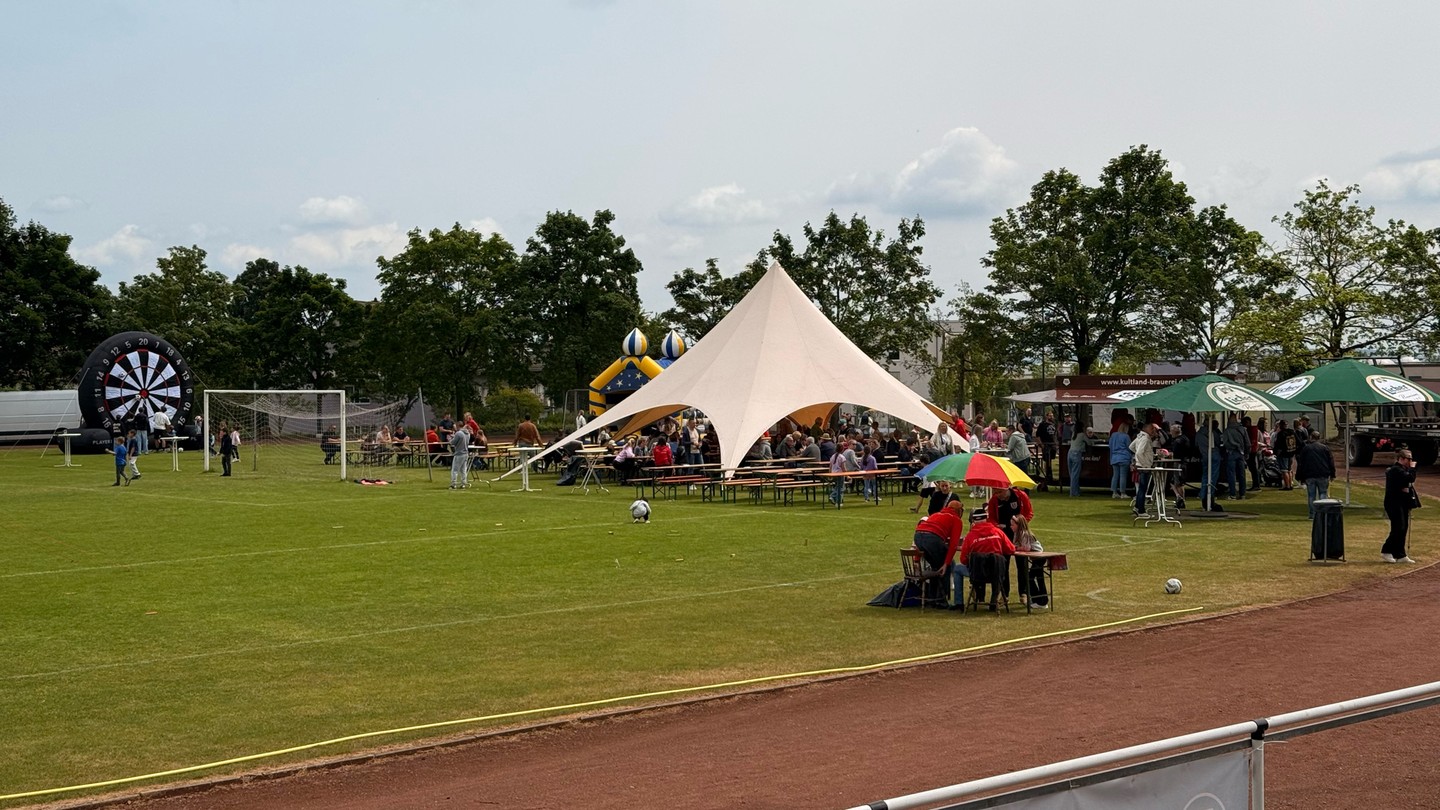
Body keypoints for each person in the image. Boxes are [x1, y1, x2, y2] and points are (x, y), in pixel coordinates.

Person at [911, 499, 968, 609]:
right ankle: (941, 600)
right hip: (932, 539)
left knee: (936, 567)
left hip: (918, 536)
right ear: (958, 510)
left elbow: (925, 532)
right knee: (947, 566)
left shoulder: (936, 514)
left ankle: (933, 597)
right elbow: (953, 545)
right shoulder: (956, 519)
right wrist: (946, 563)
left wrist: (916, 558)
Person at [959, 512, 1017, 611]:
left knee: (957, 569)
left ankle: (973, 598)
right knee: (998, 565)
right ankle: (994, 600)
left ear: (974, 522)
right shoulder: (998, 532)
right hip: (996, 573)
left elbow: (963, 559)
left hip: (977, 574)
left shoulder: (970, 536)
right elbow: (1011, 549)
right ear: (986, 519)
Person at [1381, 448, 1420, 563]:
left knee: (1403, 528)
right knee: (1398, 528)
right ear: (1401, 459)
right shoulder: (1395, 470)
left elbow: (1407, 483)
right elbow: (1410, 478)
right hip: (1394, 503)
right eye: (1409, 459)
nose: (1411, 461)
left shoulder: (1403, 470)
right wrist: (1412, 469)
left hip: (1402, 502)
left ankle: (1400, 554)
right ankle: (1386, 550)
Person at [1296, 433, 1337, 519]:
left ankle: (1312, 514)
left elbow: (1301, 463)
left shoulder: (1306, 448)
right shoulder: (1325, 448)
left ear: (1311, 437)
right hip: (1323, 473)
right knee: (1323, 493)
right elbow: (1331, 461)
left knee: (1311, 495)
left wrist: (1299, 476)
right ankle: (1322, 513)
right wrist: (1332, 474)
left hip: (1310, 474)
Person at [1011, 514, 1048, 608]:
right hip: (1034, 558)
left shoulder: (1024, 533)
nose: (1011, 527)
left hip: (1039, 558)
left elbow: (1026, 548)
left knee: (1029, 578)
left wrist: (1015, 548)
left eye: (1013, 525)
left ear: (1019, 525)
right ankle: (1042, 601)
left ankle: (1039, 601)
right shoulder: (1017, 534)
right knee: (1035, 577)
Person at [1129, 423, 1157, 515]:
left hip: (1140, 465)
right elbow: (1139, 453)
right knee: (1143, 489)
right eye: (1151, 428)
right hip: (1144, 466)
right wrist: (1144, 463)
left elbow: (1131, 447)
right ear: (1146, 429)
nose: (1153, 430)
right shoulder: (1145, 438)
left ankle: (1137, 507)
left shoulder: (1140, 437)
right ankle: (1141, 510)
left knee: (1142, 488)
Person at [1222, 415, 1250, 500]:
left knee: (1231, 474)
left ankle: (1233, 494)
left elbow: (1225, 443)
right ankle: (1242, 494)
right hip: (1241, 452)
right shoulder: (1242, 429)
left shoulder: (1227, 430)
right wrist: (1247, 453)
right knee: (1242, 474)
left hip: (1231, 452)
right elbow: (1247, 443)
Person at [1108, 424, 1134, 499]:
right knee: (1123, 476)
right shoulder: (1126, 436)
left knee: (1115, 475)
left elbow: (1110, 445)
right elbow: (1130, 447)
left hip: (1114, 457)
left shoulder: (1113, 435)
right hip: (1124, 457)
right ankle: (1123, 493)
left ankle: (1114, 492)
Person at [1273, 419, 1299, 491]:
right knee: (1289, 469)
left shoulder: (1281, 434)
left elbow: (1278, 445)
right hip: (1291, 453)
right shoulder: (1292, 432)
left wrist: (1275, 452)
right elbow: (1297, 441)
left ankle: (1287, 486)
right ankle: (1290, 484)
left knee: (1284, 470)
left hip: (1283, 454)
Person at [1035, 412, 1059, 483]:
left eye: (1052, 416)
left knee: (1051, 460)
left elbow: (1055, 435)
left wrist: (1056, 443)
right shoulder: (1042, 425)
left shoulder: (1054, 424)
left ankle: (1050, 476)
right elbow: (1037, 435)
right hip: (1046, 444)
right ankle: (1047, 476)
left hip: (1053, 444)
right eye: (1050, 416)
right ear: (1046, 416)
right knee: (1047, 460)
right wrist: (1041, 444)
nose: (1051, 417)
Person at [1068, 423, 1090, 497]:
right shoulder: (1082, 435)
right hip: (1076, 454)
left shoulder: (1074, 434)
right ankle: (1074, 493)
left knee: (1072, 474)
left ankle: (1075, 491)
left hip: (1070, 453)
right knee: (1075, 474)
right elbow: (1089, 442)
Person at [449, 422, 471, 489]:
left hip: (459, 453)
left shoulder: (458, 433)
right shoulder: (467, 433)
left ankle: (453, 484)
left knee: (455, 470)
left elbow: (453, 442)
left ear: (458, 426)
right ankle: (463, 483)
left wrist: (451, 439)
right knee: (463, 470)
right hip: (465, 453)